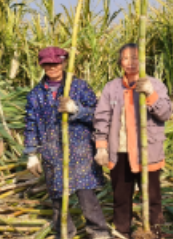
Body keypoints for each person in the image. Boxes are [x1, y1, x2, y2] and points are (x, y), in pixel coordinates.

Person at [24, 46, 111, 239]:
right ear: (42, 66)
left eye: (56, 63)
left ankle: (99, 233)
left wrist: (76, 110)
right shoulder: (35, 94)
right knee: (58, 201)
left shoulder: (79, 87)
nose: (52, 67)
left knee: (87, 197)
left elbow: (98, 116)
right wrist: (31, 153)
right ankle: (65, 233)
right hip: (52, 152)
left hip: (80, 151)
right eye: (47, 64)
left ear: (63, 63)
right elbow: (31, 124)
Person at [93, 43, 172, 239]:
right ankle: (122, 232)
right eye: (126, 58)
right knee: (121, 197)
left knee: (152, 197)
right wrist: (101, 147)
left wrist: (150, 94)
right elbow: (102, 117)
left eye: (135, 58)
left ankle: (155, 231)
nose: (131, 62)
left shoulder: (156, 85)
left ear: (143, 60)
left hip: (148, 152)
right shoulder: (112, 88)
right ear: (120, 62)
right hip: (120, 151)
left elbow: (165, 113)